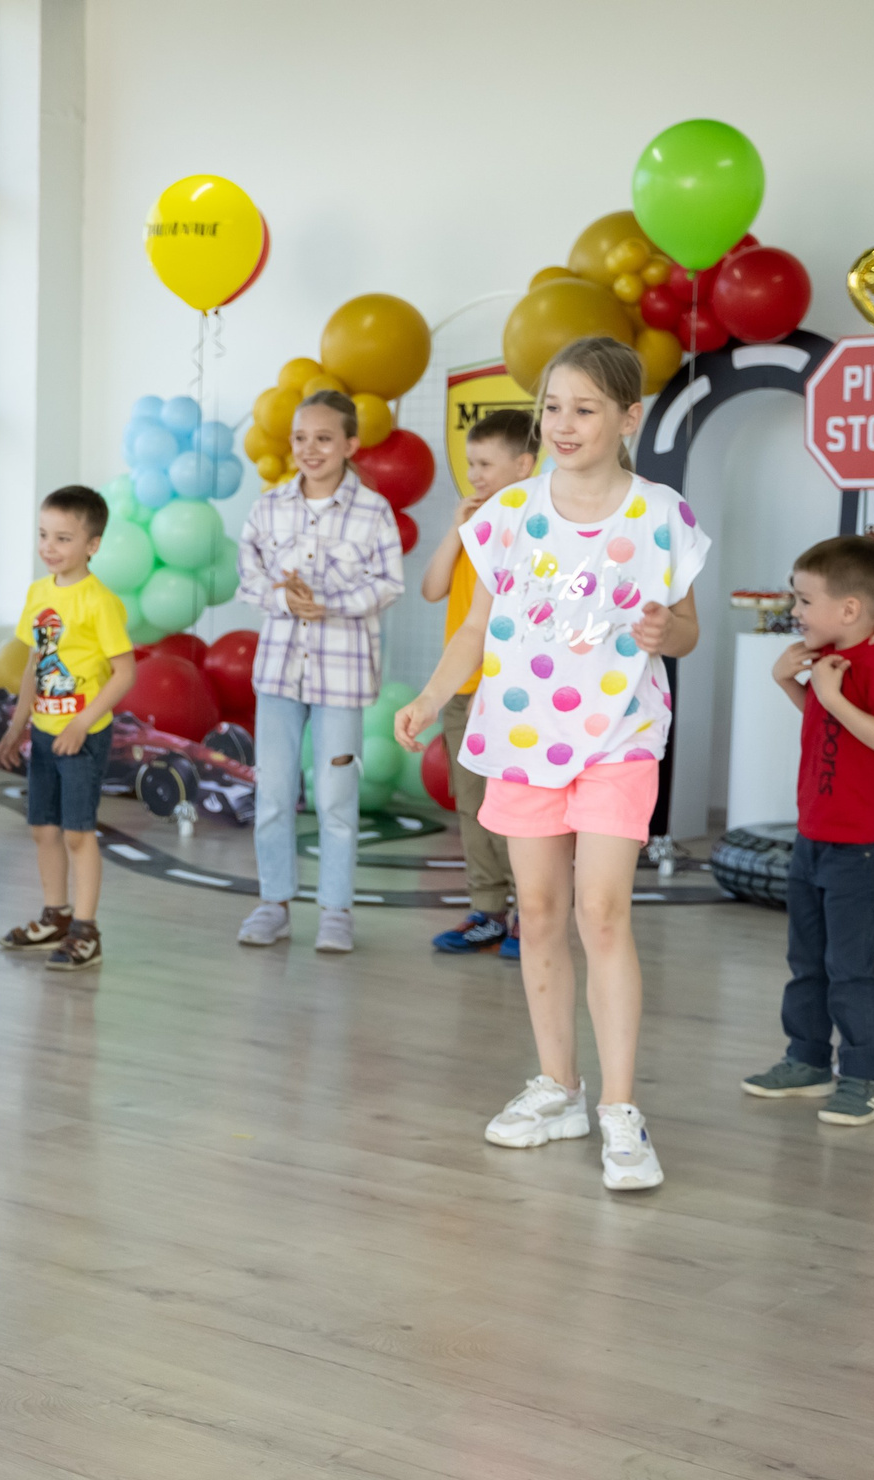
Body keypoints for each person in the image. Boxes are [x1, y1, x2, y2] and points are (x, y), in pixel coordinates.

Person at [395, 337, 707, 1192]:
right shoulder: (505, 517)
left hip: (619, 738)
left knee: (602, 914)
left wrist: (662, 634)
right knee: (537, 910)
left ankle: (619, 1108)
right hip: (520, 737)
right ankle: (557, 1087)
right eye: (554, 408)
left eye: (585, 409)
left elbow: (687, 627)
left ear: (628, 418)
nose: (564, 425)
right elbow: (472, 630)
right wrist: (428, 698)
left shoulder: (660, 515)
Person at [741, 537, 874, 1126]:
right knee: (806, 957)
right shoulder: (829, 663)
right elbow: (832, 730)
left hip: (861, 845)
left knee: (851, 965)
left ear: (848, 610)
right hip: (813, 836)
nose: (795, 611)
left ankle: (865, 1078)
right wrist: (792, 684)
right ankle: (808, 1059)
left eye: (804, 599)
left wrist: (831, 693)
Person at [233, 392, 406, 954]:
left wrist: (329, 604)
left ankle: (336, 910)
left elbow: (389, 584)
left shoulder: (373, 512)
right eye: (301, 438)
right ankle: (273, 904)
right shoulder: (269, 507)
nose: (311, 449)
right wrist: (287, 603)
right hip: (278, 676)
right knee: (275, 793)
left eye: (324, 439)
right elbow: (249, 573)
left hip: (343, 679)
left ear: (351, 445)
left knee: (335, 795)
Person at [0, 486, 134, 971]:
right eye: (43, 535)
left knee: (79, 833)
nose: (49, 547)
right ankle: (55, 916)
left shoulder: (100, 602)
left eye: (63, 538)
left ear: (92, 545)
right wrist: (18, 726)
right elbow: (35, 664)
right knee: (43, 829)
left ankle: (86, 930)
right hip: (43, 732)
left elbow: (125, 673)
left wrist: (81, 724)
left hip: (83, 735)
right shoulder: (39, 594)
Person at [421, 408, 535, 958]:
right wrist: (455, 529)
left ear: (525, 465)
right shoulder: (474, 527)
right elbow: (432, 588)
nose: (476, 475)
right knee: (472, 805)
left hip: (514, 696)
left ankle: (526, 914)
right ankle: (487, 910)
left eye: (487, 464)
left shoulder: (535, 527)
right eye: (472, 463)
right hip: (463, 691)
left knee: (517, 809)